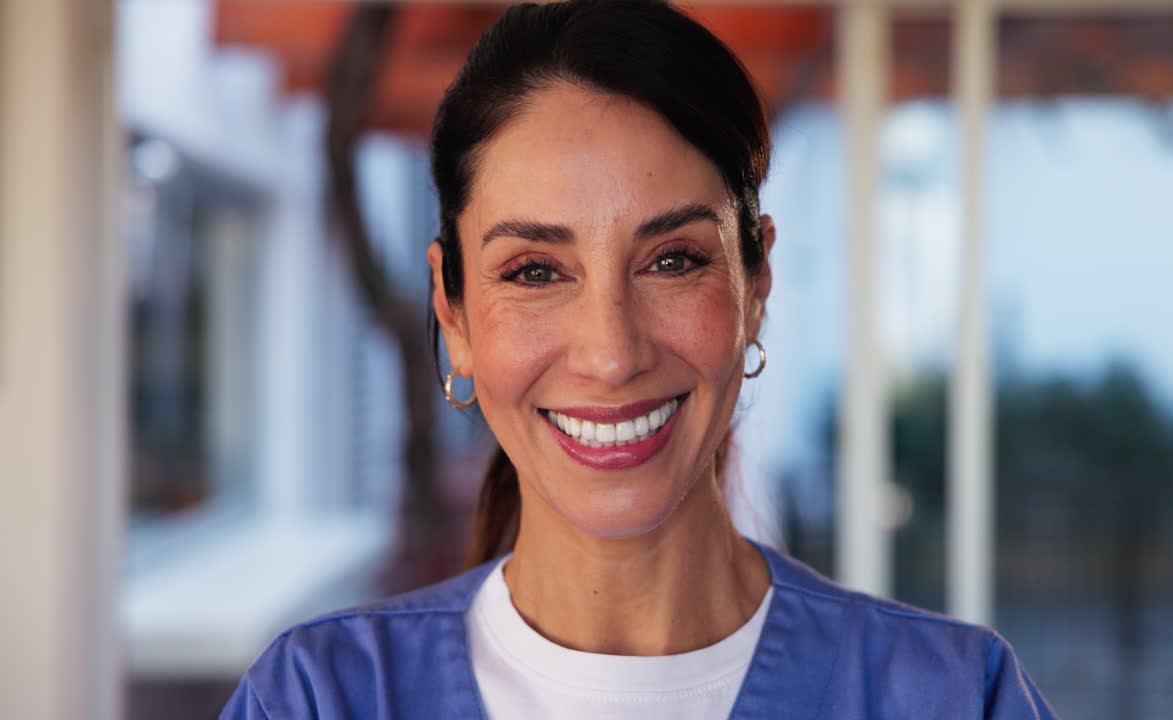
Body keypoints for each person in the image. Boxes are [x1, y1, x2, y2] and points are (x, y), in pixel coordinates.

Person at [221, 1, 1057, 718]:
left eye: (673, 261)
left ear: (756, 283)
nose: (611, 355)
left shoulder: (950, 698)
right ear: (454, 311)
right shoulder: (318, 699)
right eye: (536, 272)